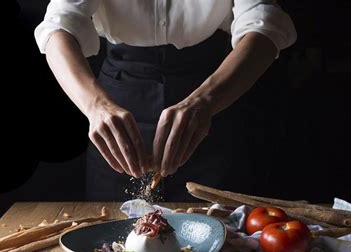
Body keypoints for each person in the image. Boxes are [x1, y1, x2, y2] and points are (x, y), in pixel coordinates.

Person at [35, 0, 297, 201]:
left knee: (222, 236)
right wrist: (96, 106)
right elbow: (59, 27)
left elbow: (265, 24)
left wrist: (206, 100)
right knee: (112, 238)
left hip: (216, 92)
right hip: (120, 91)